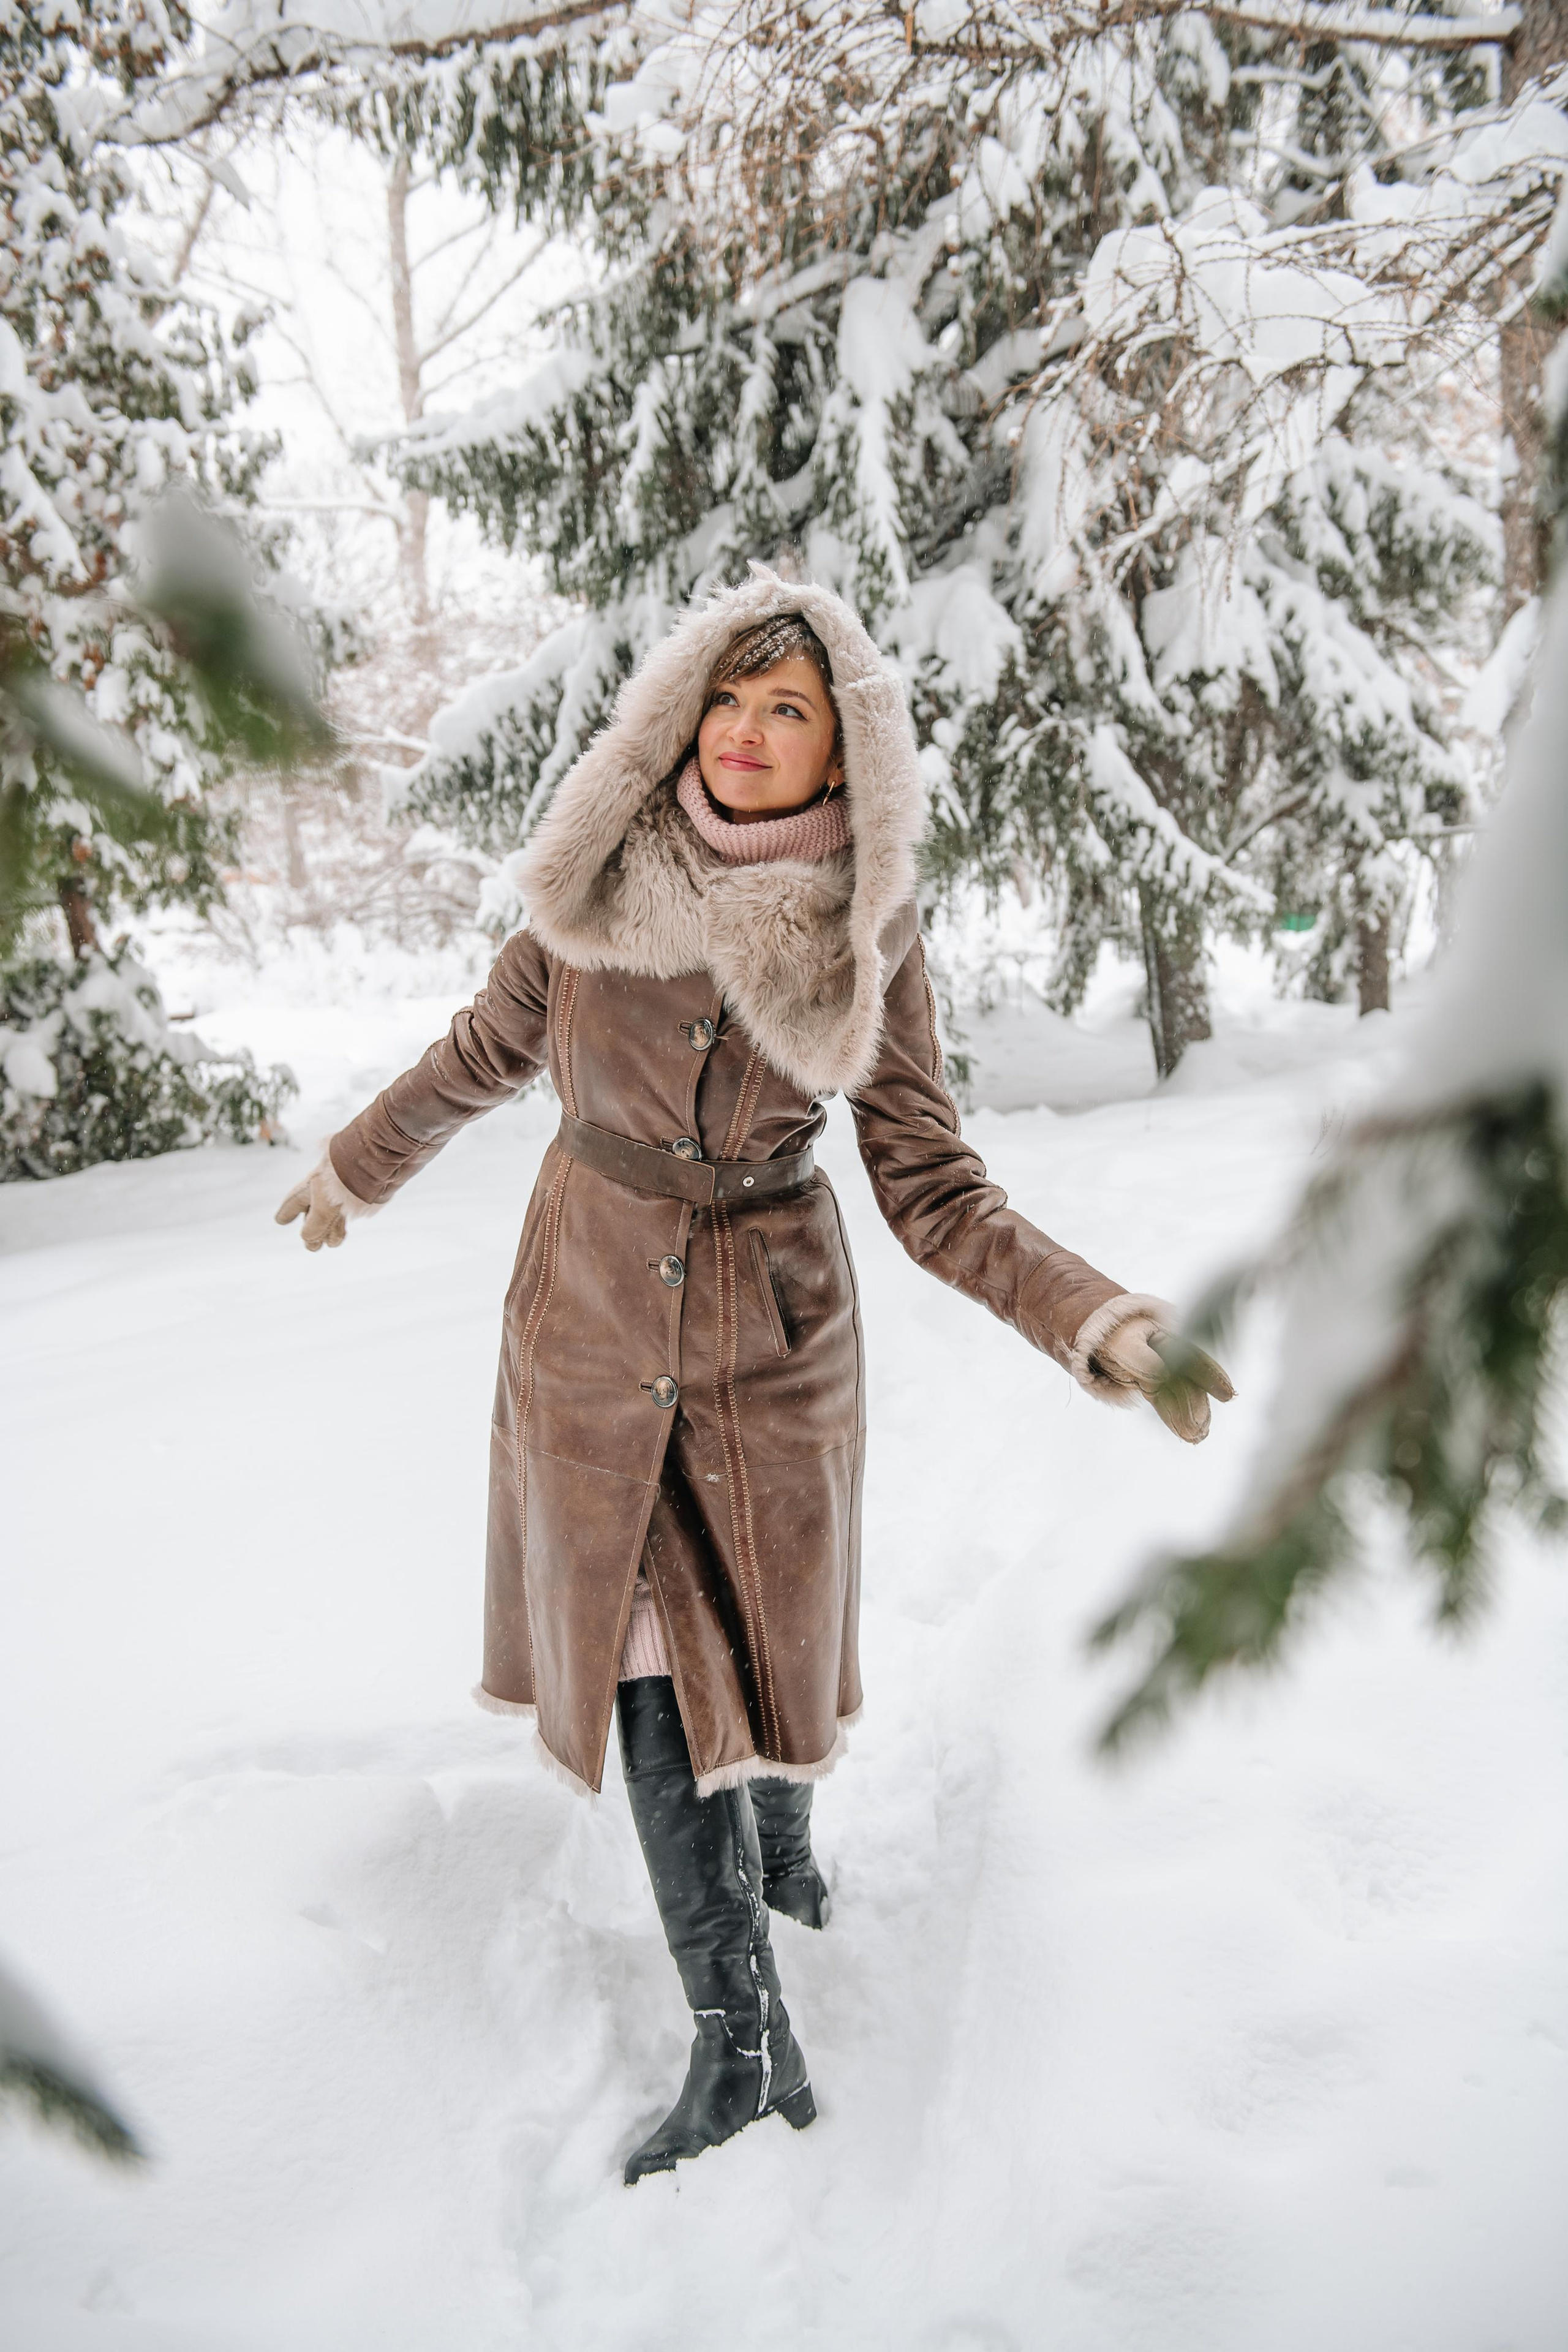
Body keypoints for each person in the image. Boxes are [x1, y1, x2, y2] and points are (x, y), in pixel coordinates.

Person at [276, 572, 1233, 2184]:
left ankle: (783, 1826)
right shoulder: (596, 876)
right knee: (653, 1670)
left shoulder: (866, 930)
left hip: (768, 1340)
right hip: (585, 1327)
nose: (747, 730)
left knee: (770, 1644)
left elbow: (932, 1183)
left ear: (842, 753)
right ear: (680, 716)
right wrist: (356, 1169)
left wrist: (1097, 1318)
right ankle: (743, 2045)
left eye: (788, 709)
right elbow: (481, 1050)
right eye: (727, 698)